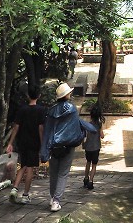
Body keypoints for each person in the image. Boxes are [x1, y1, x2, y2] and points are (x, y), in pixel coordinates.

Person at [40, 82, 96, 212]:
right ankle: (56, 201)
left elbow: (48, 131)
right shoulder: (71, 109)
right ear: (67, 95)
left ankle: (52, 197)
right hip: (68, 146)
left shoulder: (52, 110)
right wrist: (88, 132)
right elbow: (77, 126)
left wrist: (44, 150)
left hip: (54, 147)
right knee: (63, 173)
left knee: (53, 172)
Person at [6, 83, 46, 204]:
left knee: (23, 165)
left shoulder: (22, 109)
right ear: (39, 95)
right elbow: (40, 128)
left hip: (22, 142)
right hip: (34, 143)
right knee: (30, 169)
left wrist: (10, 143)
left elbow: (16, 127)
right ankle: (25, 195)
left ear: (28, 96)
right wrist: (42, 143)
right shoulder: (41, 110)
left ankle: (14, 188)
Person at [83, 104, 105, 190]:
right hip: (96, 147)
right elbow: (102, 136)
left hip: (88, 147)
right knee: (94, 165)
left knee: (88, 162)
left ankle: (85, 178)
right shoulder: (99, 125)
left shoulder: (88, 125)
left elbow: (84, 136)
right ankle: (91, 181)